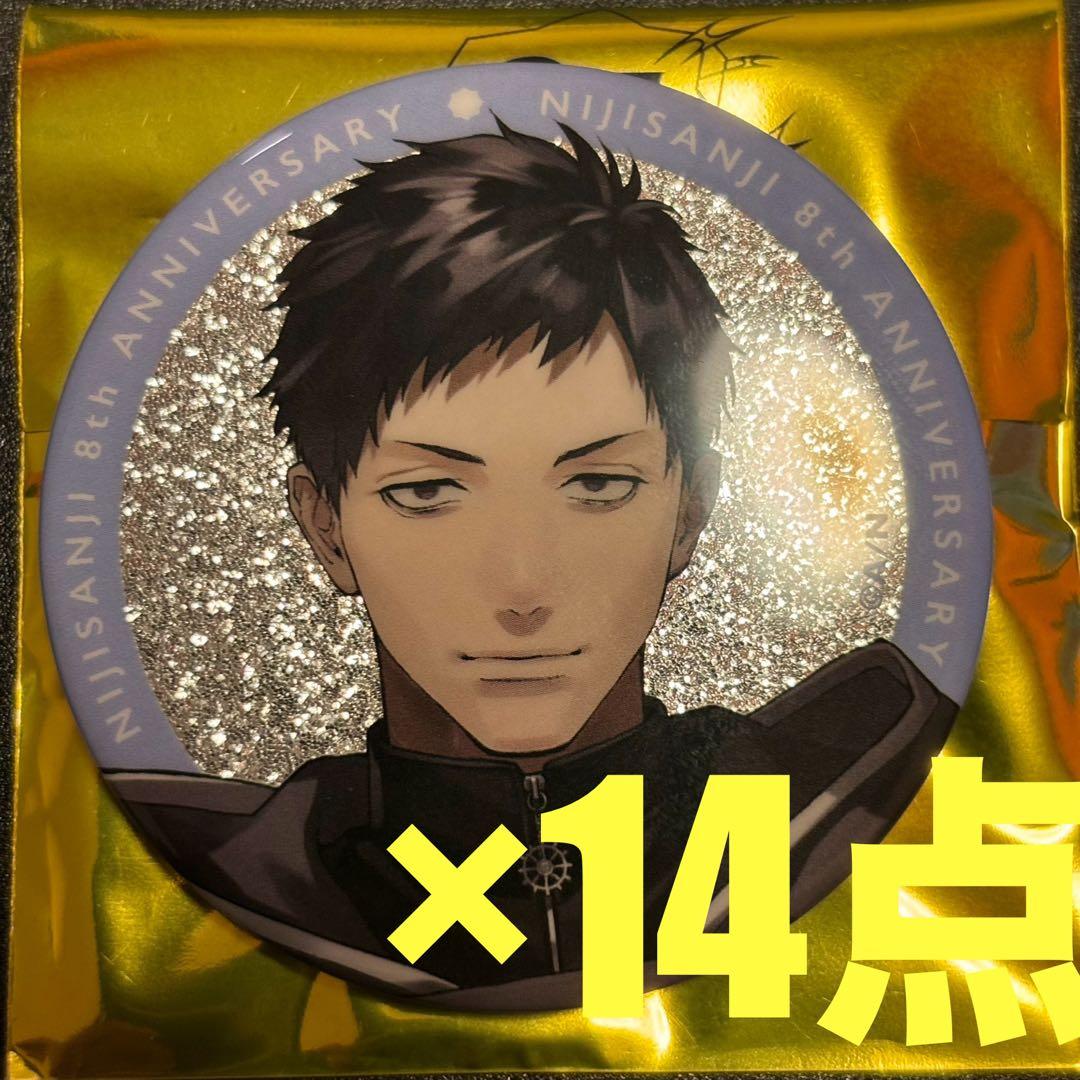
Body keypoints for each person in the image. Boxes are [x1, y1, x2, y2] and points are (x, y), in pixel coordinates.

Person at [107, 120, 955, 1010]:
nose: (522, 590)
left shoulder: (849, 792)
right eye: (427, 492)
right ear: (325, 527)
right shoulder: (235, 881)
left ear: (691, 510)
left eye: (598, 484)